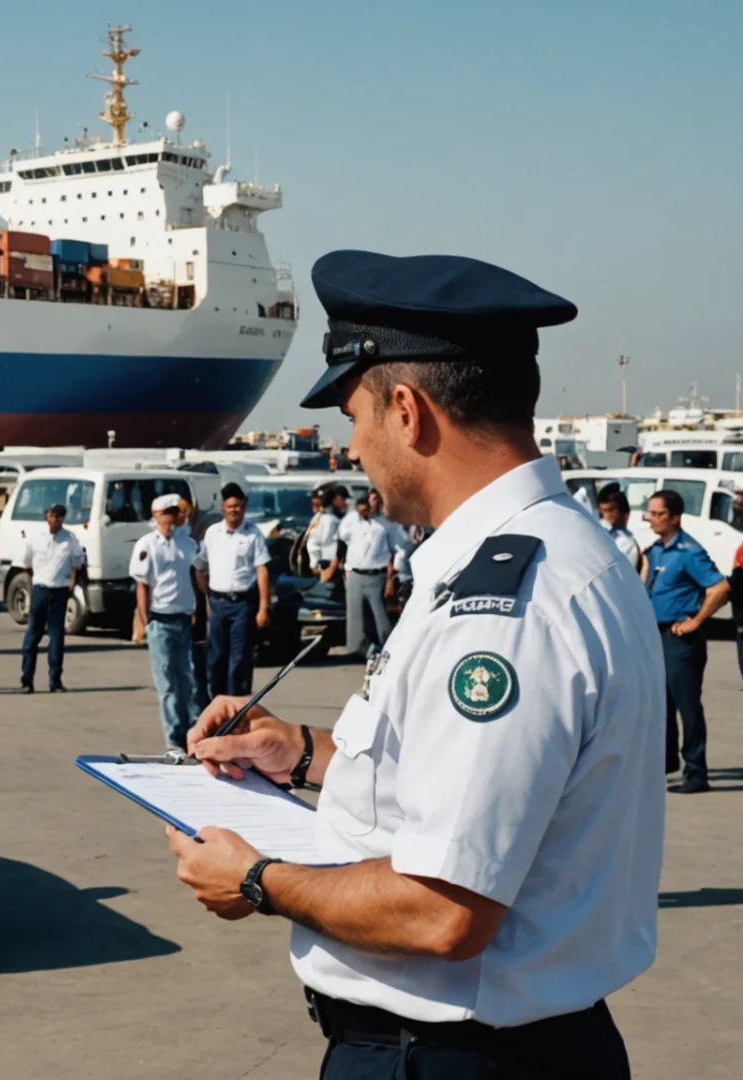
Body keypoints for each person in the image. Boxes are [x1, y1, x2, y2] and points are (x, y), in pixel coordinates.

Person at [169, 250, 658, 1078]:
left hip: (453, 1058)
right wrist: (300, 751)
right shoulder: (549, 553)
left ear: (406, 410)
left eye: (352, 415)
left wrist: (254, 878)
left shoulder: (504, 609)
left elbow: (443, 909)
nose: (351, 446)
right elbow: (470, 781)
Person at [642, 489, 727, 794]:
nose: (649, 518)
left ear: (674, 517)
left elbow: (718, 587)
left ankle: (696, 772)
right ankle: (664, 766)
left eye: (656, 513)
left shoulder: (689, 552)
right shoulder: (656, 551)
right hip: (656, 638)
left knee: (687, 707)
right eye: (649, 512)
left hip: (681, 640)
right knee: (660, 707)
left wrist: (696, 620)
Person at [132, 493, 202, 749]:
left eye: (176, 512)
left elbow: (196, 578)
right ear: (157, 515)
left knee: (189, 679)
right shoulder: (147, 545)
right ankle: (174, 740)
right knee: (168, 683)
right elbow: (142, 585)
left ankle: (194, 733)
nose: (174, 517)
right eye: (168, 513)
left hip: (183, 618)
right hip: (160, 620)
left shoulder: (188, 543)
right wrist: (146, 619)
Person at [196, 483, 272, 696]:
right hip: (218, 604)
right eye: (230, 506)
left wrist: (263, 607)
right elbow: (199, 566)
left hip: (243, 605)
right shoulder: (213, 533)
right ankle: (217, 705)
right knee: (217, 657)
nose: (234, 510)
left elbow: (262, 570)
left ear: (244, 507)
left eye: (238, 506)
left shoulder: (253, 534)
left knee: (239, 658)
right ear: (223, 507)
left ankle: (238, 707)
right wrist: (206, 596)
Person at [16, 504, 86, 693]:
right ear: (46, 517)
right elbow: (25, 563)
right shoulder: (36, 539)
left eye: (59, 517)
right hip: (40, 589)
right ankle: (27, 679)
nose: (55, 520)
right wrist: (38, 578)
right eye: (52, 516)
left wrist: (70, 578)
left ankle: (55, 680)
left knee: (56, 637)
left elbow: (78, 560)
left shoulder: (69, 539)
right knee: (33, 635)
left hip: (59, 591)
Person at [337, 493, 400, 658]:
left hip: (377, 575)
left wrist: (390, 579)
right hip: (355, 573)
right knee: (355, 616)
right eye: (361, 510)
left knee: (381, 617)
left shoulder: (385, 525)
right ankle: (359, 650)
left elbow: (396, 551)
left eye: (366, 509)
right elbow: (342, 538)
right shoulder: (351, 520)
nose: (363, 513)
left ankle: (388, 648)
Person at [597, 485, 641, 571]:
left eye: (611, 510)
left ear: (621, 510)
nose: (607, 516)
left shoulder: (628, 542)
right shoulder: (597, 527)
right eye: (603, 511)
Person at [302, 488, 340, 580]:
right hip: (326, 563)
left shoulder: (329, 519)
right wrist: (314, 563)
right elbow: (314, 542)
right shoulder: (324, 519)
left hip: (332, 563)